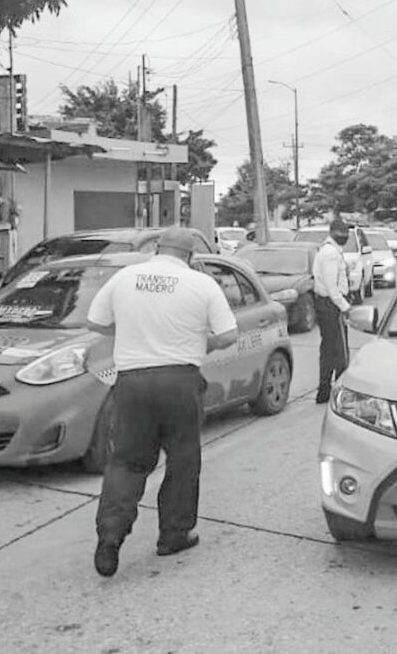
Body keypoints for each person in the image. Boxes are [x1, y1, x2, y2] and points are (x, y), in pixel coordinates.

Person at [86, 227, 238, 578]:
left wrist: (129, 330)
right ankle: (174, 535)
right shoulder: (201, 284)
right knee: (183, 460)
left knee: (126, 461)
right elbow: (229, 334)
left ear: (156, 249)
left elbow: (96, 321)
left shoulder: (125, 277)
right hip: (180, 381)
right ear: (190, 256)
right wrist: (205, 342)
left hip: (132, 382)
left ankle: (110, 537)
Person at [313, 219, 352, 404]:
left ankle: (326, 392)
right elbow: (331, 286)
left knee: (330, 350)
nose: (345, 236)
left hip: (330, 304)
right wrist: (345, 307)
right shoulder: (329, 253)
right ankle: (338, 394)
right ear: (333, 232)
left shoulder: (332, 250)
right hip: (331, 306)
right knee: (339, 352)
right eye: (342, 233)